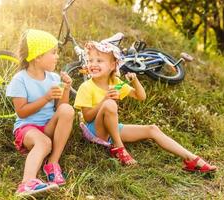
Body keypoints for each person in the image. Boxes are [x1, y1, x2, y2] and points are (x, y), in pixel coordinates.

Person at [74, 40, 216, 173]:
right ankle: (119, 148)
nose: (93, 64)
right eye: (91, 60)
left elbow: (140, 96)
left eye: (99, 60)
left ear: (112, 65)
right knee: (110, 103)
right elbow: (87, 117)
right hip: (95, 130)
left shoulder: (114, 82)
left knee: (152, 129)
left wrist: (135, 81)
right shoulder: (86, 87)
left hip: (113, 129)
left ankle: (192, 158)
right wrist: (104, 100)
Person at [6, 29, 74, 197]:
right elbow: (21, 112)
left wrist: (65, 88)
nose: (57, 57)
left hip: (48, 126)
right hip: (27, 129)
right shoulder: (20, 79)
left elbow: (62, 108)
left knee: (68, 109)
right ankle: (26, 183)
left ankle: (52, 163)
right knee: (44, 143)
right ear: (37, 56)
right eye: (53, 53)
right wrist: (45, 98)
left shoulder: (53, 78)